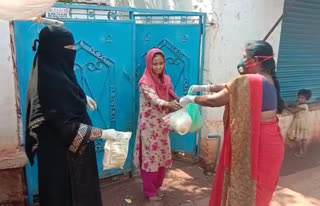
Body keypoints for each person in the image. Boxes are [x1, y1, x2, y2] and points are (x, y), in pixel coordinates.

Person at [25, 25, 123, 206]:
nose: (73, 52)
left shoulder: (54, 72)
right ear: (54, 51)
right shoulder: (47, 83)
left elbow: (67, 92)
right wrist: (102, 133)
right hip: (60, 159)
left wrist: (82, 97)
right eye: (68, 49)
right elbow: (65, 127)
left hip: (73, 156)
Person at [180, 41, 285, 206]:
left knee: (249, 190)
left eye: (244, 57)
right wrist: (203, 87)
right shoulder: (268, 78)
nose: (241, 61)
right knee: (260, 191)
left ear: (254, 60)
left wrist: (191, 99)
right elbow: (229, 86)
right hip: (272, 140)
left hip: (258, 143)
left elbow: (216, 101)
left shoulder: (251, 80)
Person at [134, 48, 181, 201]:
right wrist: (169, 104)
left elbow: (171, 95)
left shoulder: (166, 79)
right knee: (150, 158)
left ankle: (157, 187)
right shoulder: (144, 82)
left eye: (161, 63)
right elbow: (155, 99)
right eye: (155, 64)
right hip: (149, 127)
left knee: (161, 156)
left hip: (163, 124)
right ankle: (150, 192)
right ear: (149, 64)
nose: (158, 67)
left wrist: (181, 103)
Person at [286, 89, 312, 158]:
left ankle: (302, 152)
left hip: (301, 124)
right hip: (302, 123)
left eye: (302, 98)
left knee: (298, 139)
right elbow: (296, 106)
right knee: (303, 139)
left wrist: (284, 106)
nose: (299, 99)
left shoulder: (303, 106)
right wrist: (291, 105)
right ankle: (304, 152)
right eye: (299, 97)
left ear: (306, 99)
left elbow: (293, 111)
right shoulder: (302, 104)